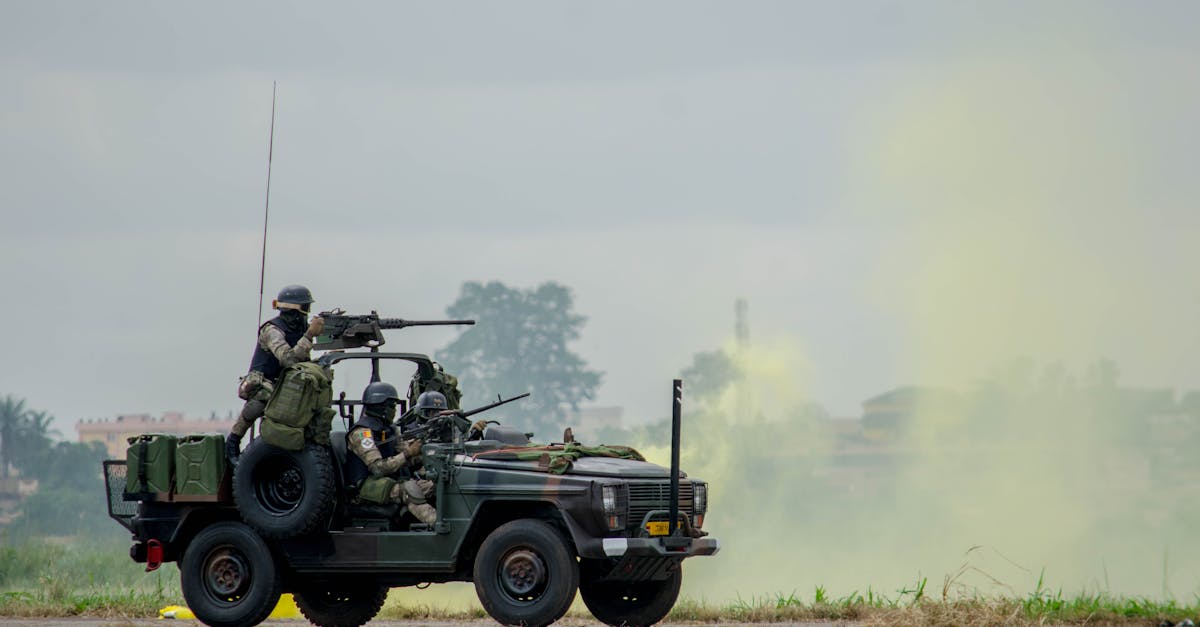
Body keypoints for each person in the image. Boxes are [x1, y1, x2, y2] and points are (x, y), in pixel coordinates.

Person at [226, 284, 325, 465]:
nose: (307, 312)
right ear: (295, 309)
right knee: (260, 400)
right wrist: (310, 335)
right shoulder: (272, 330)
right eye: (306, 307)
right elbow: (288, 360)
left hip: (288, 382)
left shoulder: (299, 328)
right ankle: (233, 440)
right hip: (264, 382)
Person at [344, 381, 438, 525]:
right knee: (410, 490)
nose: (394, 410)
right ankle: (439, 525)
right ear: (380, 407)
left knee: (435, 486)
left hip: (389, 481)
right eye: (391, 406)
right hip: (366, 488)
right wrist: (408, 453)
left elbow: (404, 458)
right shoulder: (362, 433)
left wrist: (421, 453)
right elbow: (377, 468)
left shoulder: (389, 429)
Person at [409, 390, 489, 441]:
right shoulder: (412, 431)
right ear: (421, 413)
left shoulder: (448, 429)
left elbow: (461, 451)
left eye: (441, 412)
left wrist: (474, 434)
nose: (437, 416)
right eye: (432, 412)